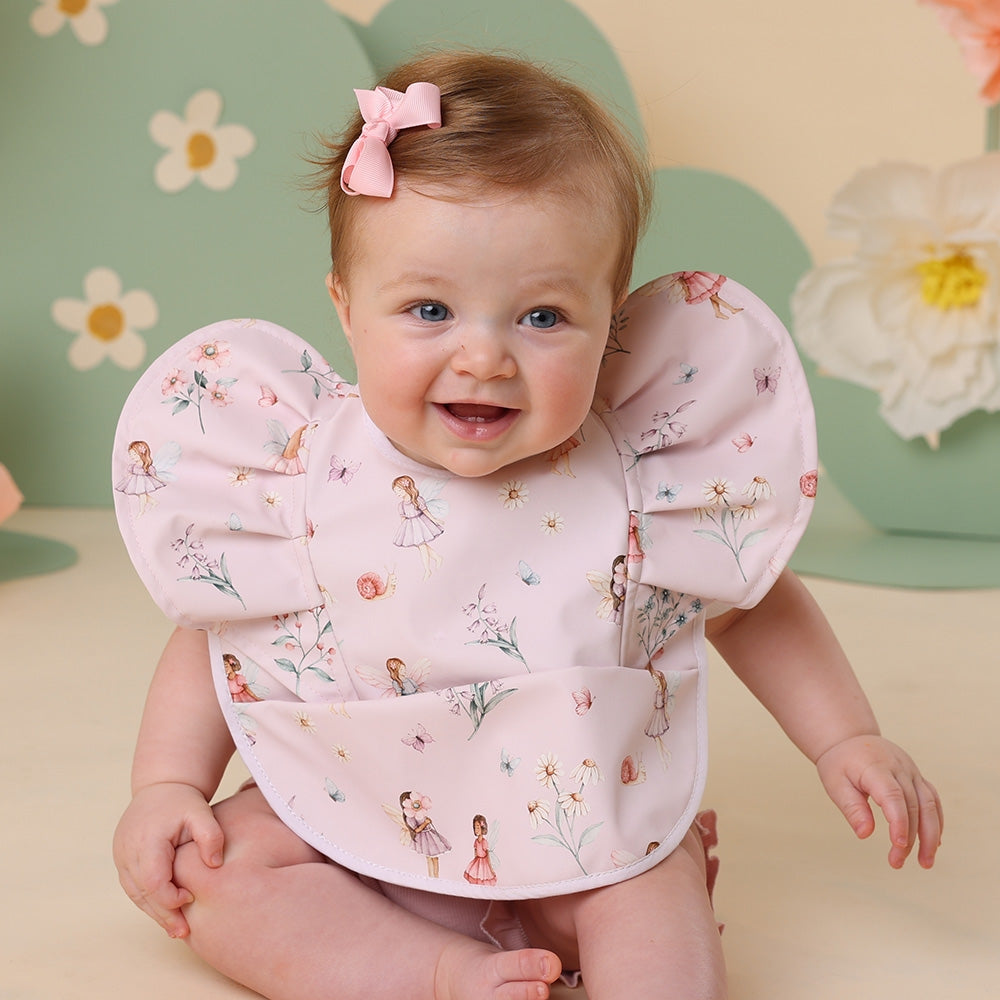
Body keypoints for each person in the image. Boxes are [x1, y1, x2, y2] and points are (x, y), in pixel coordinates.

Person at [111, 51, 942, 1000]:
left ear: (611, 321)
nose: (484, 355)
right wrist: (167, 786)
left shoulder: (638, 477)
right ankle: (437, 973)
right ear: (345, 307)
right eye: (429, 309)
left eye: (544, 316)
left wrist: (846, 738)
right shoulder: (298, 478)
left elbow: (751, 606)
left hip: (583, 821)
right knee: (215, 878)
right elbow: (218, 628)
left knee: (649, 898)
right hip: (352, 814)